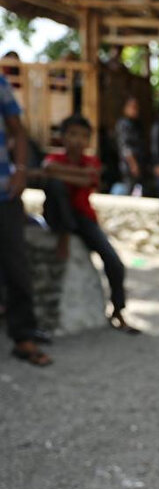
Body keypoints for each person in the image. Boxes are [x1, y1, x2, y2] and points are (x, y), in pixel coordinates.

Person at [42, 114, 140, 335]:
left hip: (84, 218)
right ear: (63, 137)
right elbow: (49, 170)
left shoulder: (91, 163)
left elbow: (88, 178)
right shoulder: (54, 159)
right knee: (56, 187)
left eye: (83, 136)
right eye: (72, 134)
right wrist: (71, 175)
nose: (77, 141)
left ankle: (118, 310)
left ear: (88, 141)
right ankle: (64, 236)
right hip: (58, 216)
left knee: (114, 262)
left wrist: (62, 174)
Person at [0, 73, 52, 367]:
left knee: (17, 266)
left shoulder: (0, 83)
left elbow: (18, 130)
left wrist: (20, 170)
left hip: (3, 195)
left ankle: (23, 336)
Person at [113, 96, 146, 196]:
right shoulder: (123, 124)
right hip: (127, 165)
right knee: (127, 189)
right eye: (132, 107)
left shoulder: (137, 125)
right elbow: (125, 147)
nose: (134, 110)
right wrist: (133, 164)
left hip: (138, 163)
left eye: (136, 107)